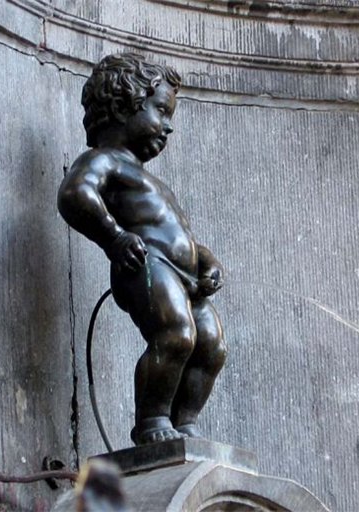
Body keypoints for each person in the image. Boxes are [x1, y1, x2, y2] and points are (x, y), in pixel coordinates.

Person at [58, 53, 226, 444]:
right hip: (144, 262)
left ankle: (185, 423)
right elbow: (75, 194)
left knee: (211, 346)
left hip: (184, 276)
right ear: (124, 105)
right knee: (175, 333)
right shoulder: (103, 161)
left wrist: (207, 262)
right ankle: (152, 421)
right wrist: (113, 237)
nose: (168, 126)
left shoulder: (151, 181)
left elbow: (180, 235)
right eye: (161, 111)